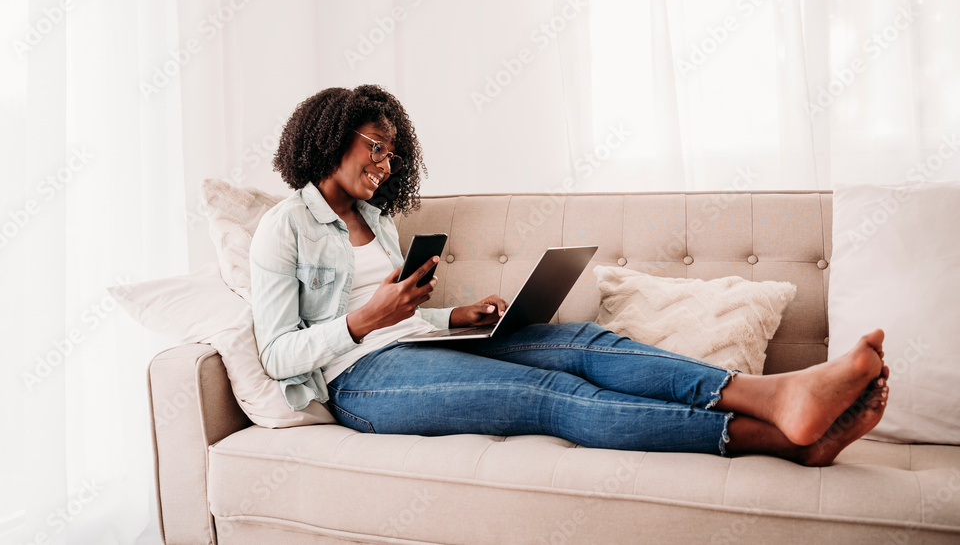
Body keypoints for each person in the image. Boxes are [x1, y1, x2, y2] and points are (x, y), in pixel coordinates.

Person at [249, 84, 890, 466]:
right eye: (375, 146)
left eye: (394, 152)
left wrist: (452, 318)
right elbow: (279, 355)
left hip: (413, 343)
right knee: (550, 395)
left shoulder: (375, 219)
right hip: (359, 383)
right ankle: (782, 442)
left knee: (583, 343)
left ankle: (777, 395)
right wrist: (365, 320)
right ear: (332, 136)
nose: (386, 163)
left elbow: (395, 314)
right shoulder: (284, 227)